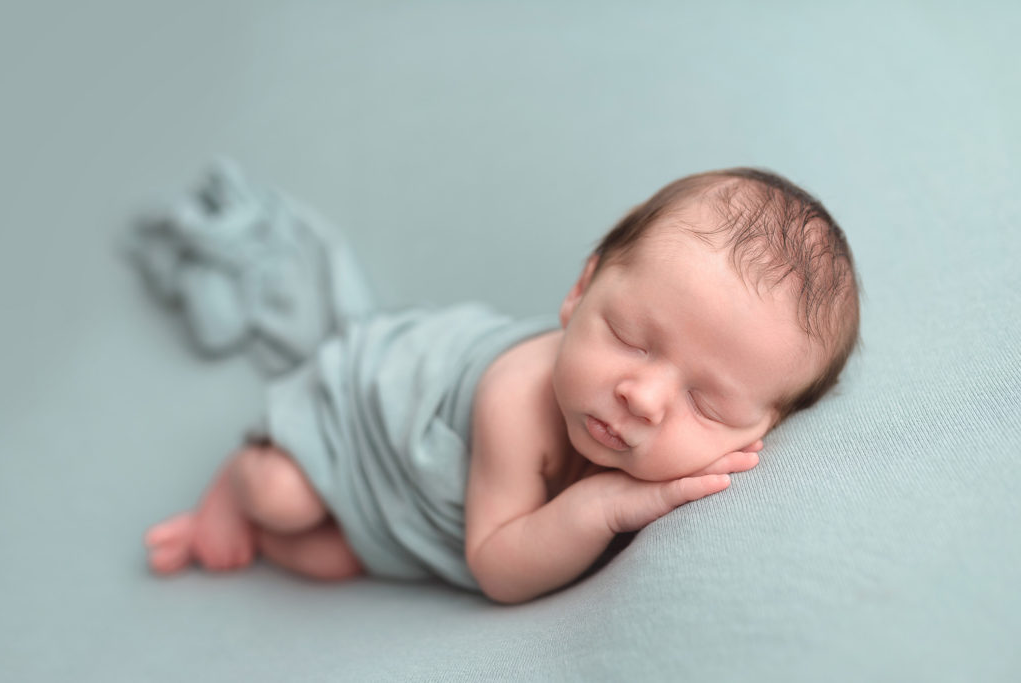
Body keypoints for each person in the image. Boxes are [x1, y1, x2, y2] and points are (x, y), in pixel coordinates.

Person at [139, 165, 859, 604]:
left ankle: (329, 525)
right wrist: (604, 503)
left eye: (707, 402)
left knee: (327, 563)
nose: (642, 395)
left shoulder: (719, 425)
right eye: (629, 339)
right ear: (581, 290)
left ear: (758, 430)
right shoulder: (516, 397)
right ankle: (236, 480)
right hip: (370, 418)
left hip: (456, 506)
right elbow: (497, 567)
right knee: (283, 500)